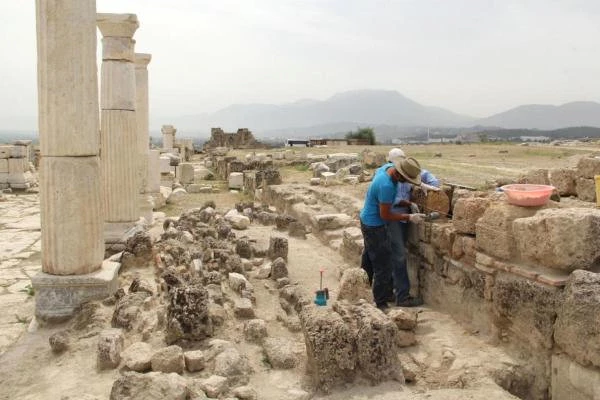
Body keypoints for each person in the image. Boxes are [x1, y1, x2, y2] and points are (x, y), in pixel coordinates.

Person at [359, 156, 426, 311]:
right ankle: (381, 303)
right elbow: (385, 215)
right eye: (407, 179)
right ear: (399, 175)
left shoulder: (386, 169)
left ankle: (361, 292)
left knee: (369, 258)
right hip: (374, 225)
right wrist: (408, 217)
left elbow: (388, 200)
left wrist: (408, 203)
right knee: (383, 265)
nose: (408, 183)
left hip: (367, 219)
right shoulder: (387, 185)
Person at [386, 148, 441, 307]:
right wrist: (410, 206)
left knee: (396, 253)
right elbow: (391, 200)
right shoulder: (387, 177)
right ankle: (401, 296)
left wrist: (430, 187)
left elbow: (427, 177)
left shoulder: (408, 171)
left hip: (403, 217)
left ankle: (391, 291)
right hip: (393, 217)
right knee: (398, 255)